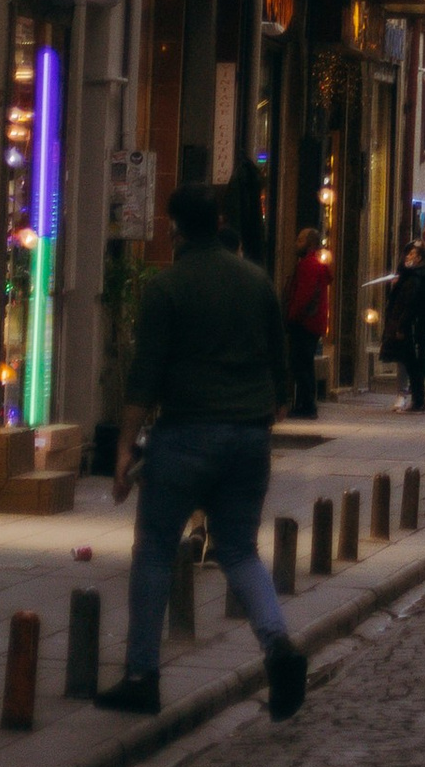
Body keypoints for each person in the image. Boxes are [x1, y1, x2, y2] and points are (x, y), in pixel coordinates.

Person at [103, 182, 309, 723]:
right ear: (218, 222)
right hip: (248, 434)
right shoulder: (256, 281)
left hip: (186, 433)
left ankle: (142, 674)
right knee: (239, 550)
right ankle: (278, 647)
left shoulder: (167, 288)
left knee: (153, 550)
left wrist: (125, 447)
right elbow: (278, 354)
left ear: (175, 229)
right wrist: (274, 403)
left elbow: (145, 375)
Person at [280, 226, 329, 421]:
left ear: (310, 244)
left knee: (301, 363)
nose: (295, 243)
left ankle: (306, 404)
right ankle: (305, 402)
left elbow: (304, 295)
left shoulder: (308, 265)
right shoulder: (313, 264)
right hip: (311, 321)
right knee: (304, 363)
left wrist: (292, 316)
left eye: (300, 240)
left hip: (305, 322)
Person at [384, 241, 425, 414]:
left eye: (412, 255)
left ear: (419, 258)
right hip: (415, 324)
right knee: (412, 362)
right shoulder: (413, 276)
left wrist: (402, 325)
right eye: (407, 254)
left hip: (413, 326)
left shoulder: (417, 277)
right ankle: (417, 400)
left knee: (414, 363)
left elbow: (410, 303)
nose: (408, 257)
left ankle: (419, 401)